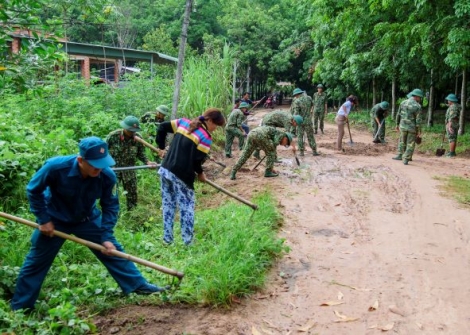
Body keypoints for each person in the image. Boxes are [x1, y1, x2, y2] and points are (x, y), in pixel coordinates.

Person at [10, 137, 166, 311]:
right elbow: (33, 190)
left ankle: (138, 286)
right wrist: (43, 220)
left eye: (102, 163)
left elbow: (111, 206)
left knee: (112, 250)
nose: (98, 168)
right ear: (80, 160)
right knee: (36, 261)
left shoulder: (106, 175)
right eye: (94, 164)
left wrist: (106, 235)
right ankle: (21, 306)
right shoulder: (55, 167)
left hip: (87, 219)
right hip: (54, 220)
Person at [156, 108, 226, 245]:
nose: (215, 129)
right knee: (186, 207)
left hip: (165, 169)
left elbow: (161, 127)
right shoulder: (205, 137)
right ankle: (188, 242)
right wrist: (200, 174)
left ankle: (167, 240)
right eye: (216, 126)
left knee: (168, 205)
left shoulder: (183, 122)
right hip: (181, 175)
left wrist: (161, 147)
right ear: (210, 120)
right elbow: (196, 162)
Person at [106, 116, 157, 211]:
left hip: (129, 169)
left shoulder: (138, 138)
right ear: (124, 128)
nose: (132, 133)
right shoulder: (113, 136)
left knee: (132, 193)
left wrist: (147, 162)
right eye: (130, 130)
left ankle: (132, 212)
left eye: (134, 130)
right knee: (112, 192)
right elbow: (104, 152)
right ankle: (112, 211)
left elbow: (141, 154)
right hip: (114, 169)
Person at [230, 126, 295, 180]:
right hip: (261, 135)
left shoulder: (276, 133)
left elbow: (268, 145)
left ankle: (233, 171)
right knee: (271, 152)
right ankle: (268, 172)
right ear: (286, 138)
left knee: (245, 155)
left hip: (252, 133)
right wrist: (271, 165)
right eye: (285, 144)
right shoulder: (282, 134)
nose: (283, 145)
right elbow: (274, 144)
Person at [393, 89, 423, 165]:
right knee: (410, 143)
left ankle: (400, 155)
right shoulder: (417, 106)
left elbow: (398, 114)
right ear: (416, 97)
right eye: (420, 97)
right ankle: (406, 158)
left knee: (402, 141)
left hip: (402, 126)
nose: (420, 99)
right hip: (412, 128)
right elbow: (418, 120)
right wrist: (419, 130)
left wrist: (397, 124)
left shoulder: (403, 103)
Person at [290, 88, 319, 156]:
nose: (295, 96)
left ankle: (301, 152)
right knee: (310, 136)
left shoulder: (297, 101)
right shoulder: (309, 98)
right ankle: (314, 151)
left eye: (295, 95)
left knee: (300, 136)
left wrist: (293, 121)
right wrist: (309, 112)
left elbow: (296, 113)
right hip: (308, 121)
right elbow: (313, 105)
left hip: (300, 122)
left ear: (297, 94)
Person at [444, 93, 461, 157]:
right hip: (455, 124)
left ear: (451, 101)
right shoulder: (454, 106)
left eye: (448, 100)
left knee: (451, 138)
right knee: (453, 138)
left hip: (452, 124)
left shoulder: (453, 107)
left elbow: (452, 117)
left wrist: (449, 126)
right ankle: (452, 152)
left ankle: (452, 153)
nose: (448, 101)